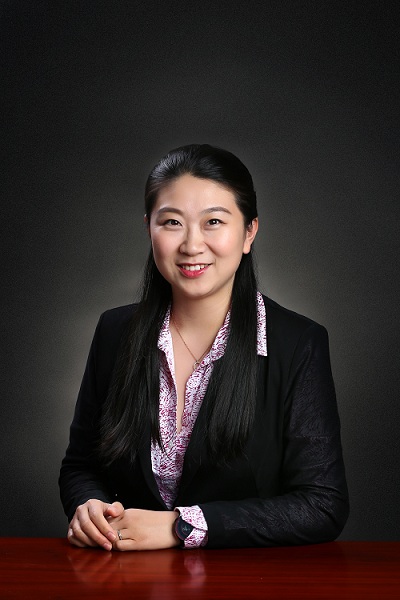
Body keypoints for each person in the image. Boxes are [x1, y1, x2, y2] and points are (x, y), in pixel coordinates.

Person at [59, 143, 349, 551]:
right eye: (172, 222)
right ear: (149, 229)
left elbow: (322, 505)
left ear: (249, 232)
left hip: (248, 579)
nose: (192, 245)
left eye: (213, 221)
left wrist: (181, 526)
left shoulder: (298, 343)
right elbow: (80, 466)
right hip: (127, 574)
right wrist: (90, 506)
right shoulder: (115, 331)